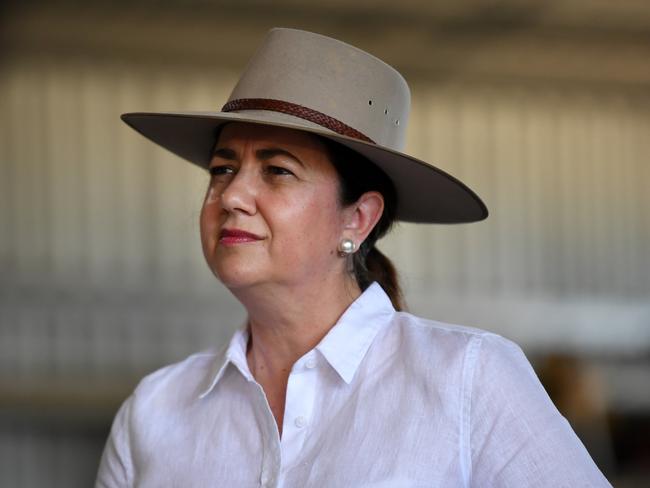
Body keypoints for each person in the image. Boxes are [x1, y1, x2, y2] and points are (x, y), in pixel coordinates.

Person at [96, 28, 610, 487]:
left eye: (276, 170)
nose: (231, 195)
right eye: (222, 169)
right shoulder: (154, 412)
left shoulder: (469, 380)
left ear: (357, 219)